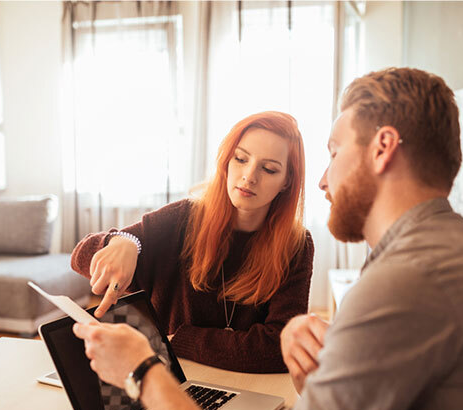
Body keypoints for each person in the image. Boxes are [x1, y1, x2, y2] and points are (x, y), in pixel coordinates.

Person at [73, 68, 463, 410]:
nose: (323, 181)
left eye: (335, 152)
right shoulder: (450, 253)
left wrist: (143, 370)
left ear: (382, 148)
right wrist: (325, 384)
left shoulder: (407, 280)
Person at [71, 111, 314, 373]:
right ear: (226, 161)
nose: (249, 176)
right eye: (240, 159)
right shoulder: (185, 218)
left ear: (287, 181)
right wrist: (124, 242)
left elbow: (280, 347)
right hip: (171, 383)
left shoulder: (296, 245)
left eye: (268, 169)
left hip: (248, 387)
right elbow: (81, 256)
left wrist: (180, 340)